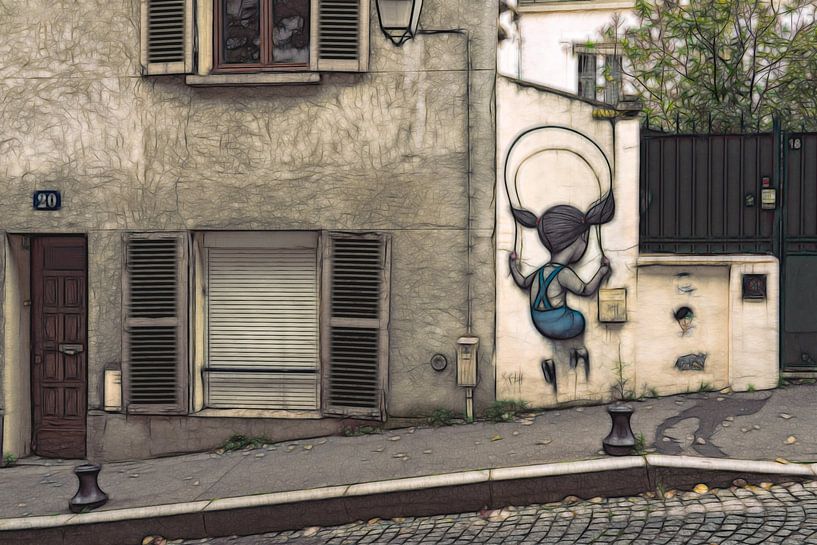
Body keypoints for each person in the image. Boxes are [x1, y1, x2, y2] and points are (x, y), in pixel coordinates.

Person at [509, 192, 614, 340]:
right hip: (559, 323)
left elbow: (523, 282)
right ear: (581, 237)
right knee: (579, 320)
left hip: (538, 320)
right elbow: (585, 289)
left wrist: (512, 264)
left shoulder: (541, 270)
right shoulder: (563, 273)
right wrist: (602, 271)